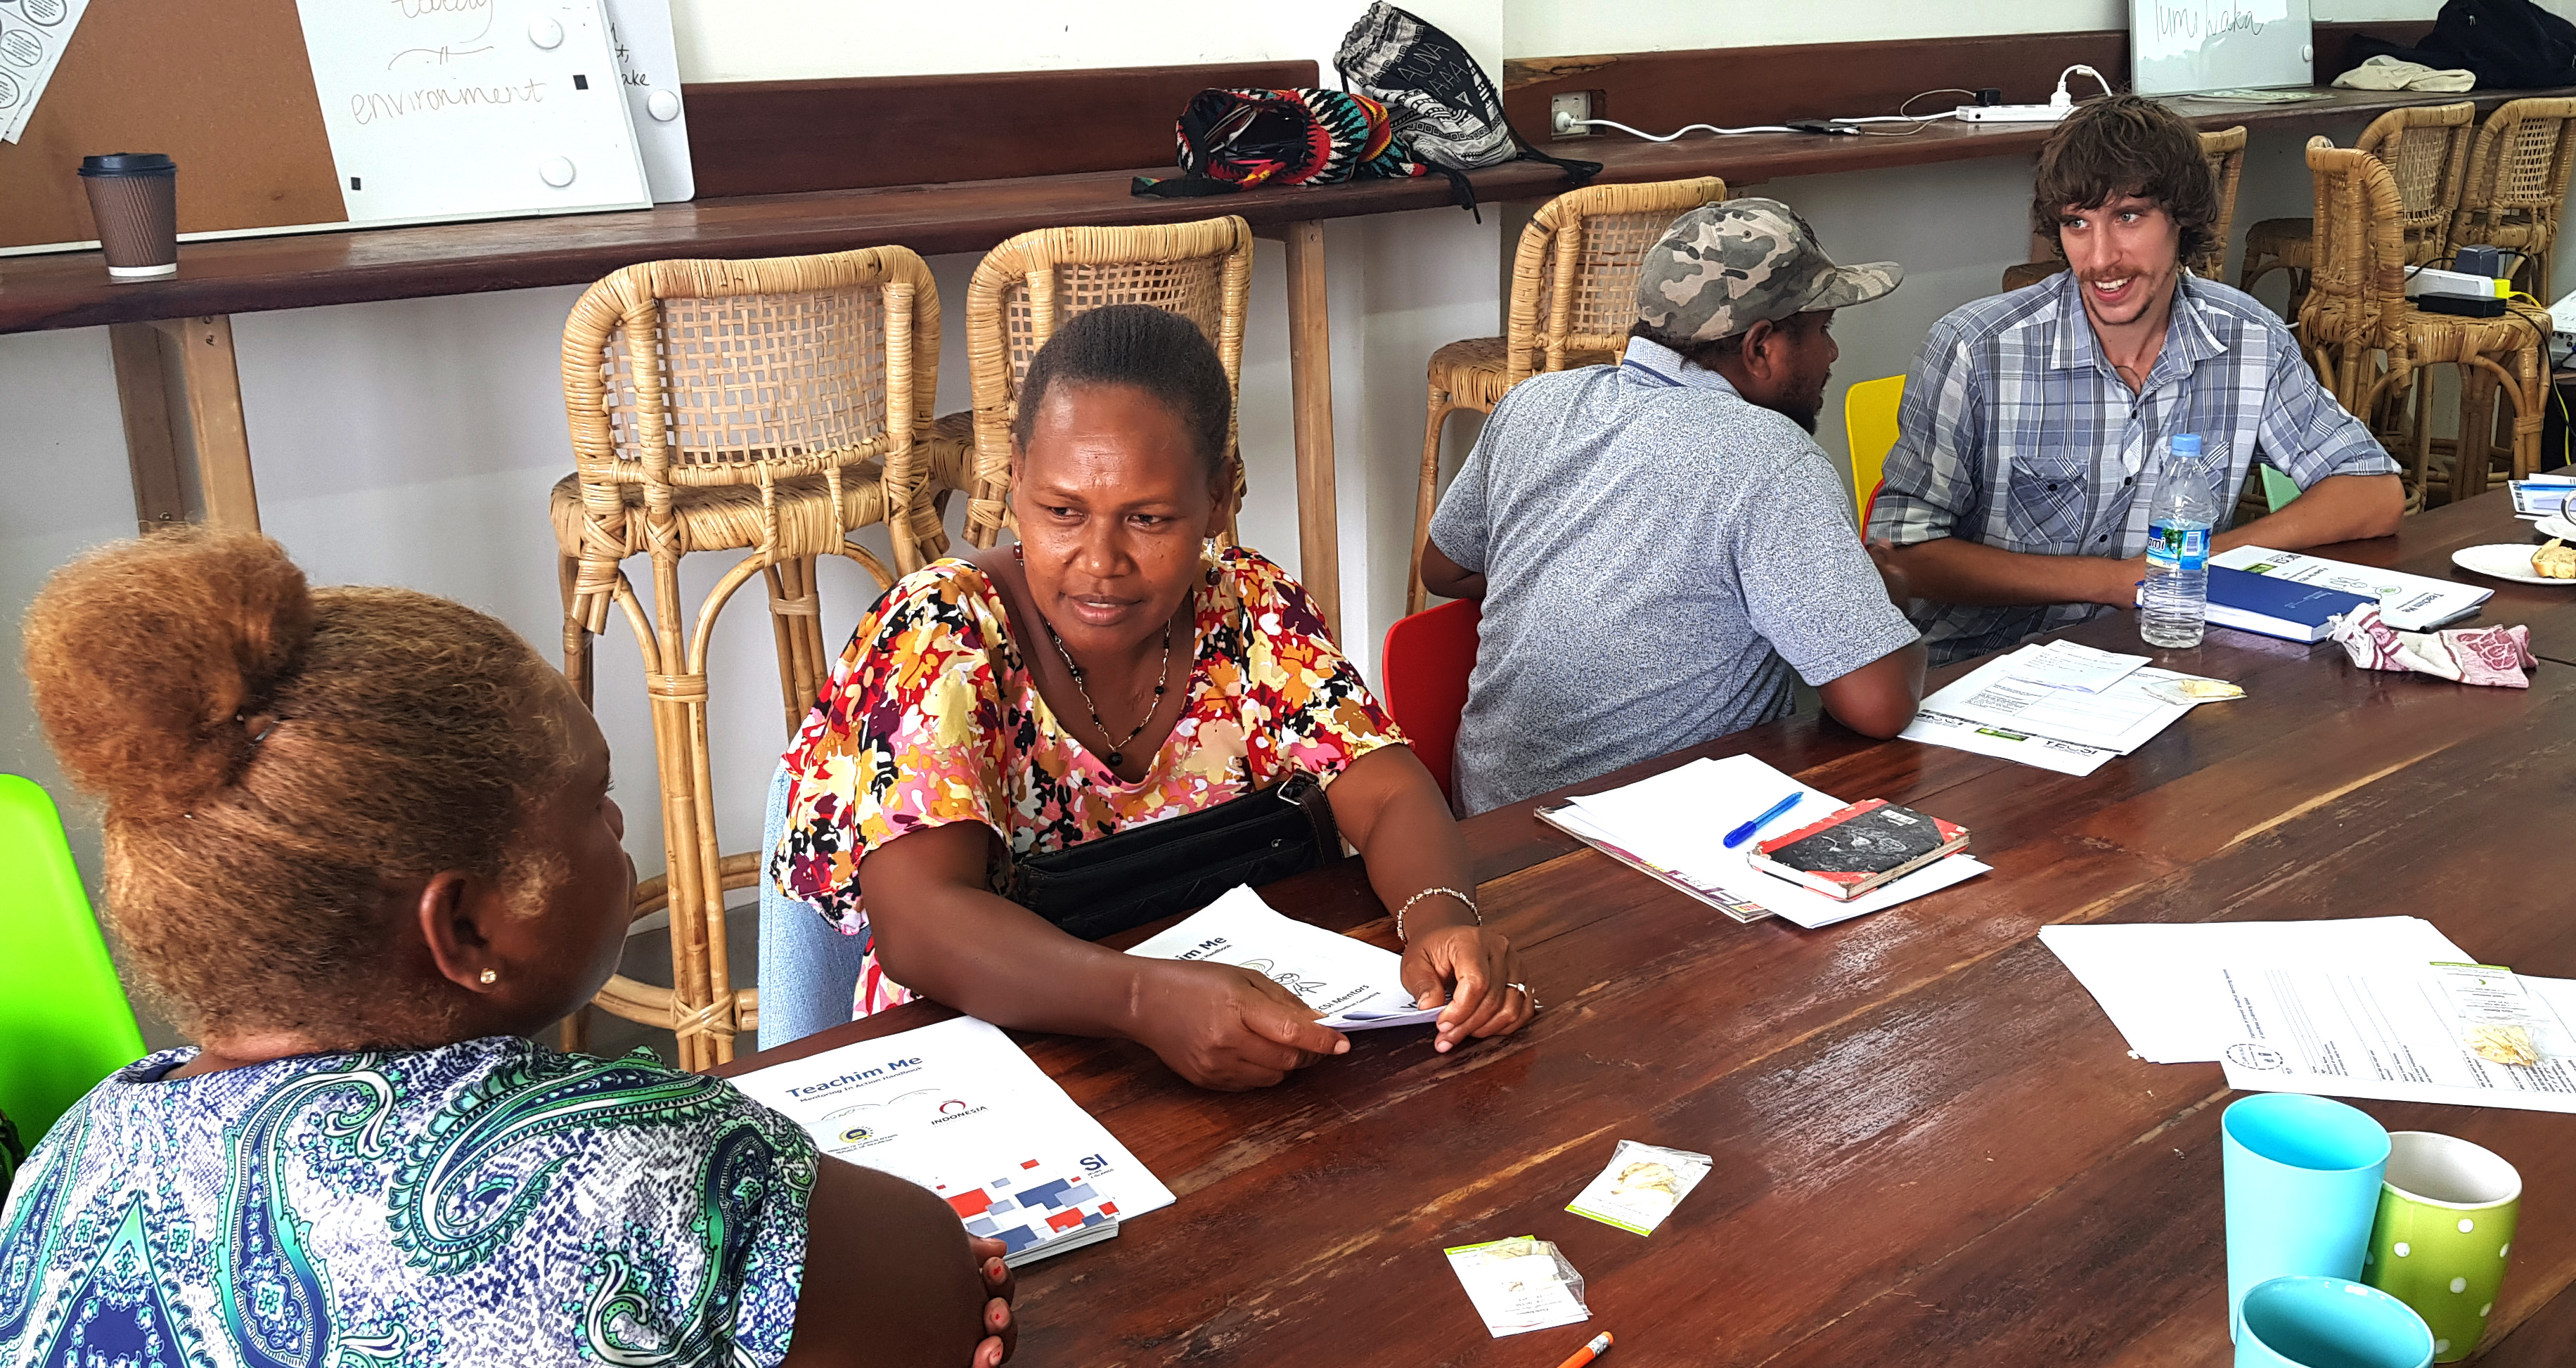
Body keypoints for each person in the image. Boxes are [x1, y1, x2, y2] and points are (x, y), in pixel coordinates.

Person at [1, 530, 1015, 1368]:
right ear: (465, 929)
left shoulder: (71, 1156)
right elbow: (936, 1289)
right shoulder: (631, 1166)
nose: (619, 822)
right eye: (591, 798)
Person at [771, 304, 1531, 1092]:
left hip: (1225, 1048)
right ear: (1016, 477)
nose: (1101, 561)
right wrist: (1141, 1000)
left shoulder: (1249, 610)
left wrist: (1441, 918)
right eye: (1062, 511)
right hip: (978, 1072)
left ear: (1219, 498)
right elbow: (921, 923)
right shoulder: (938, 632)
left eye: (1149, 519)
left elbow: (1389, 791)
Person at [1416, 198, 1928, 815]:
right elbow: (1880, 707)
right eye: (1823, 330)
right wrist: (1888, 595)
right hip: (1645, 836)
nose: (1833, 354)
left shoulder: (1535, 403)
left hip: (1488, 824)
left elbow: (1442, 569)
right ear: (1761, 348)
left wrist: (1580, 579)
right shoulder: (1768, 456)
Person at [1868, 94, 2407, 666]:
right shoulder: (1975, 349)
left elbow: (2373, 495)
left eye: (2128, 217)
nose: (2102, 258)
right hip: (1982, 667)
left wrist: (2188, 563)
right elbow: (1900, 552)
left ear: (2183, 220)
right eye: (2077, 224)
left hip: (2165, 660)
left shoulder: (2248, 339)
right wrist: (2113, 581)